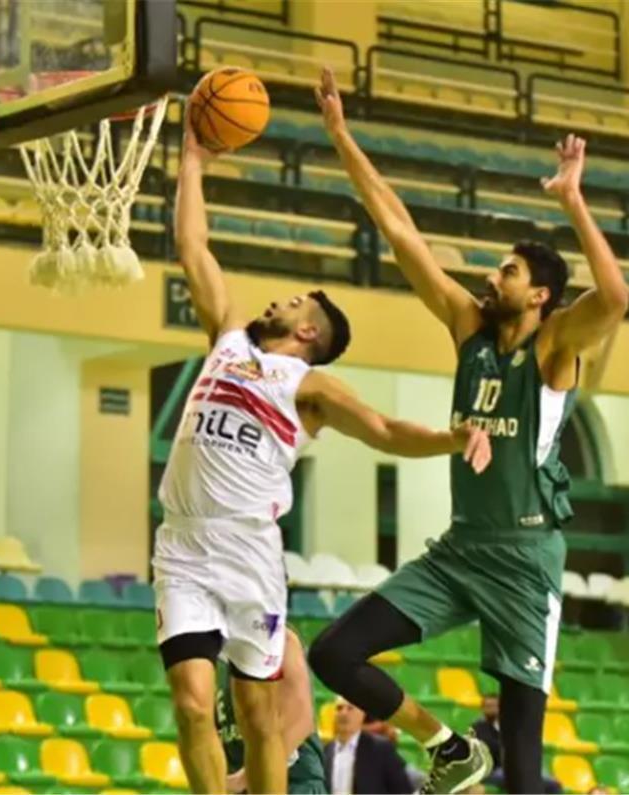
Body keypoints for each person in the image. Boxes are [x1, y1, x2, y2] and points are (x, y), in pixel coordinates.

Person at [307, 67, 629, 795]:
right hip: (460, 549)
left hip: (524, 559)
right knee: (334, 653)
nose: (493, 276)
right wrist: (340, 136)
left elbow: (614, 298)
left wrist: (573, 201)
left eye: (508, 271)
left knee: (523, 769)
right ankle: (448, 745)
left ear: (539, 294)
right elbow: (399, 230)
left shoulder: (553, 348)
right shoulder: (469, 329)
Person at [156, 124, 492, 794]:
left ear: (308, 330)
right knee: (192, 705)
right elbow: (193, 247)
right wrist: (191, 160)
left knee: (257, 712)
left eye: (293, 303)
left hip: (248, 550)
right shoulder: (226, 341)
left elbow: (385, 430)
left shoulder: (309, 387)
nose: (275, 301)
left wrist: (450, 438)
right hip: (183, 545)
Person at [216, 628, 327, 794]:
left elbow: (303, 720)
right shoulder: (215, 656)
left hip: (294, 781)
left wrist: (245, 777)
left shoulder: (279, 638)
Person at [471, 695, 563, 794]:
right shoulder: (478, 728)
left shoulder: (510, 726)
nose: (492, 709)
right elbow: (491, 747)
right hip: (493, 770)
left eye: (494, 706)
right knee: (523, 780)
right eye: (488, 706)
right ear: (483, 709)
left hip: (517, 767)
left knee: (553, 784)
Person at [323, 697, 413, 795]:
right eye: (339, 708)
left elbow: (402, 790)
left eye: (350, 708)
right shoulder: (325, 752)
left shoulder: (381, 749)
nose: (343, 713)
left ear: (362, 714)